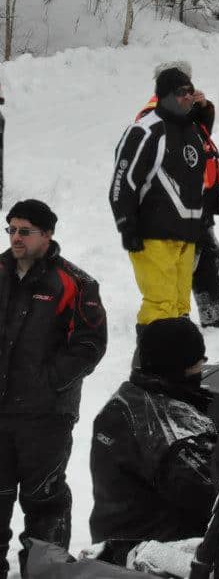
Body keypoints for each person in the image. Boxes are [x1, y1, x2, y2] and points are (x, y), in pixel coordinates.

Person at [0, 199, 107, 578]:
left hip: (45, 418)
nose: (15, 237)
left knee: (44, 502)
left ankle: (44, 574)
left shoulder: (76, 284)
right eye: (11, 229)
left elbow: (90, 346)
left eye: (24, 231)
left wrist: (48, 385)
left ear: (47, 234)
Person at [89, 317, 217, 553]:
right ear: (181, 368)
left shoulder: (125, 401)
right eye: (199, 362)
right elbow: (217, 497)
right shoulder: (172, 436)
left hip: (115, 539)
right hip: (157, 556)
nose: (202, 368)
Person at [135, 61, 219, 329]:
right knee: (189, 256)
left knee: (206, 253)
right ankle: (172, 312)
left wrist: (203, 108)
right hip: (175, 200)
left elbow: (199, 136)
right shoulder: (156, 112)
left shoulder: (181, 107)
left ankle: (210, 309)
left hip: (197, 195)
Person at [110, 67, 208, 341]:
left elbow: (197, 181)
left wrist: (200, 226)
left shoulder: (191, 130)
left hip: (186, 236)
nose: (188, 97)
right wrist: (126, 225)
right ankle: (148, 370)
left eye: (191, 91)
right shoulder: (145, 130)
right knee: (160, 308)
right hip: (152, 235)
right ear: (165, 96)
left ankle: (175, 370)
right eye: (181, 93)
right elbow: (123, 180)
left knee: (179, 309)